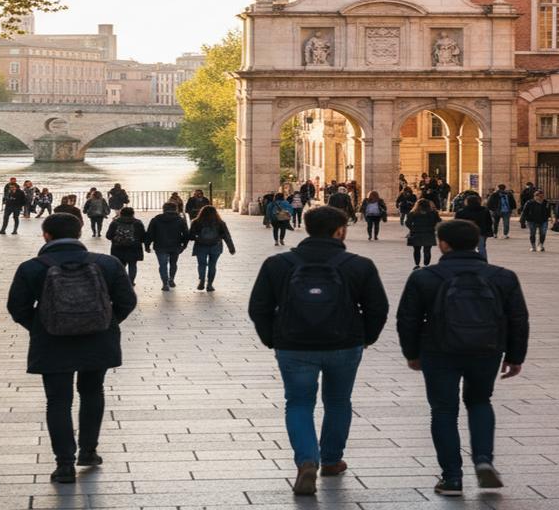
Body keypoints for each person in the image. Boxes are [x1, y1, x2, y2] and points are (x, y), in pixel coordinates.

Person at [248, 206, 389, 496]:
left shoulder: (278, 263)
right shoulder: (359, 264)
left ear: (307, 228)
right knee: (338, 401)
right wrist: (366, 338)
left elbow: (258, 307)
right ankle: (332, 460)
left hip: (293, 345)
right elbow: (378, 308)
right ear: (340, 231)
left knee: (298, 403)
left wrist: (272, 339)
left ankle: (306, 461)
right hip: (344, 344)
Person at [396, 219, 529, 497]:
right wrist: (515, 355)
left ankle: (452, 478)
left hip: (438, 350)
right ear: (477, 242)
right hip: (486, 349)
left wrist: (411, 353)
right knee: (480, 401)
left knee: (443, 410)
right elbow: (518, 319)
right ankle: (483, 460)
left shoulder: (425, 277)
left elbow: (407, 319)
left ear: (442, 244)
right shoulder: (503, 276)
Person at [6, 213, 137, 484]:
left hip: (52, 343)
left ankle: (64, 464)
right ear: (80, 232)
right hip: (98, 340)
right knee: (92, 391)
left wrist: (42, 325)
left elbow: (16, 308)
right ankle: (88, 451)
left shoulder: (31, 267)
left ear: (46, 235)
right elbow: (127, 301)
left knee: (58, 400)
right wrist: (105, 321)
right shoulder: (108, 264)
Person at [188, 205, 235, 292]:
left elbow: (190, 236)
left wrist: (197, 238)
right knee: (212, 265)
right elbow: (226, 236)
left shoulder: (196, 222)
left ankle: (201, 280)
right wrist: (231, 248)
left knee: (201, 264)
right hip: (216, 246)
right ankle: (209, 284)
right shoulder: (220, 223)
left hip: (201, 246)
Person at [145, 202, 189, 291]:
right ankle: (171, 279)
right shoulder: (180, 220)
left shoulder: (156, 219)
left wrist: (147, 245)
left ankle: (165, 283)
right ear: (175, 209)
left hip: (160, 245)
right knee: (173, 263)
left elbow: (150, 234)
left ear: (164, 209)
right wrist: (184, 245)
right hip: (175, 245)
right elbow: (186, 234)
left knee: (162, 265)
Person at [105, 207, 147, 286]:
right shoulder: (137, 223)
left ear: (121, 213)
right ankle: (131, 281)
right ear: (133, 213)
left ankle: (122, 281)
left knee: (120, 266)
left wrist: (115, 239)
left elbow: (108, 236)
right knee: (132, 265)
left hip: (118, 248)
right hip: (134, 248)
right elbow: (143, 237)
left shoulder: (115, 222)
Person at [454, 194, 495, 260]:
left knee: (468, 248)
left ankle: (470, 261)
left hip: (466, 232)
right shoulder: (484, 210)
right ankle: (483, 261)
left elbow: (457, 223)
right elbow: (489, 222)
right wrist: (488, 232)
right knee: (481, 248)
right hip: (481, 232)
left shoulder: (461, 212)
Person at [405, 198, 439, 268]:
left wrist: (412, 229)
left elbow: (407, 222)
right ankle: (426, 264)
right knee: (427, 250)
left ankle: (417, 264)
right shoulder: (433, 213)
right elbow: (438, 221)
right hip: (429, 233)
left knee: (417, 250)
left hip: (416, 233)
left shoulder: (413, 213)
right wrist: (433, 227)